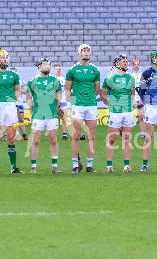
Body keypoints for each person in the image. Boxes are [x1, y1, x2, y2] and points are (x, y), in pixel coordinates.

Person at [65, 43, 101, 173]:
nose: (86, 53)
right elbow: (67, 90)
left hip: (91, 106)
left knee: (91, 136)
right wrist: (74, 102)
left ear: (90, 53)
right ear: (79, 53)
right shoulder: (72, 70)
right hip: (78, 107)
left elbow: (97, 89)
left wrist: (89, 99)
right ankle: (75, 165)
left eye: (88, 51)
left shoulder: (95, 71)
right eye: (83, 51)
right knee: (76, 135)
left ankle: (89, 166)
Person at [0, 50, 23, 174]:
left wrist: (14, 100)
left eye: (7, 57)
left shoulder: (14, 75)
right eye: (2, 57)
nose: (5, 59)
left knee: (11, 138)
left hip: (10, 106)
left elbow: (17, 90)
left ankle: (13, 167)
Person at [100, 54, 137, 172]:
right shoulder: (110, 78)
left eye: (127, 61)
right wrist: (110, 105)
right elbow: (103, 95)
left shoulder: (131, 78)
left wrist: (129, 104)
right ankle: (109, 165)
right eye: (123, 61)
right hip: (115, 113)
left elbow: (132, 94)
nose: (126, 63)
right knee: (112, 138)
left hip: (128, 112)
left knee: (127, 138)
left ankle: (126, 165)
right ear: (117, 64)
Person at [26, 57, 63, 174]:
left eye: (48, 64)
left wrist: (56, 108)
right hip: (38, 115)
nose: (47, 66)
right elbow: (28, 96)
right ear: (39, 66)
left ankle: (55, 166)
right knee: (35, 141)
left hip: (51, 114)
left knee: (53, 140)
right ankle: (33, 166)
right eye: (45, 64)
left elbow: (59, 94)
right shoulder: (33, 81)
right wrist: (31, 108)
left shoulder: (55, 81)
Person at [53, 63, 70, 140]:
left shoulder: (63, 79)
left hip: (63, 101)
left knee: (64, 118)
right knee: (54, 120)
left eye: (59, 69)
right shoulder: (51, 79)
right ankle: (54, 135)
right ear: (54, 70)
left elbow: (66, 89)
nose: (58, 71)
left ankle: (64, 135)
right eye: (57, 69)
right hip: (53, 102)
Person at [130, 59, 146, 139]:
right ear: (132, 65)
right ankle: (124, 132)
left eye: (137, 64)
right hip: (132, 97)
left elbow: (144, 87)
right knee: (128, 116)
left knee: (141, 116)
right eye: (135, 64)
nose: (136, 65)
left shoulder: (142, 75)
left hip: (140, 97)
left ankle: (142, 133)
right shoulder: (129, 75)